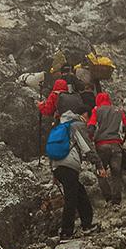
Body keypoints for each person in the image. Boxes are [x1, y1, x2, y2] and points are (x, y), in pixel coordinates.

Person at [46, 99, 98, 239]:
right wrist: (98, 164)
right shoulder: (77, 125)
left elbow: (51, 149)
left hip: (58, 166)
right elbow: (85, 146)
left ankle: (87, 223)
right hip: (69, 165)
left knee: (79, 192)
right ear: (85, 114)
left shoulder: (60, 127)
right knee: (71, 198)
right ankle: (66, 231)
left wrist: (53, 172)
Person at [87, 89, 126, 204]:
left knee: (101, 171)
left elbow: (91, 127)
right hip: (116, 145)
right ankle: (116, 200)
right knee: (116, 173)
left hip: (101, 146)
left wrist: (90, 140)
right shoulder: (118, 110)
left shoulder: (96, 110)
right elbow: (125, 125)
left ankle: (108, 197)